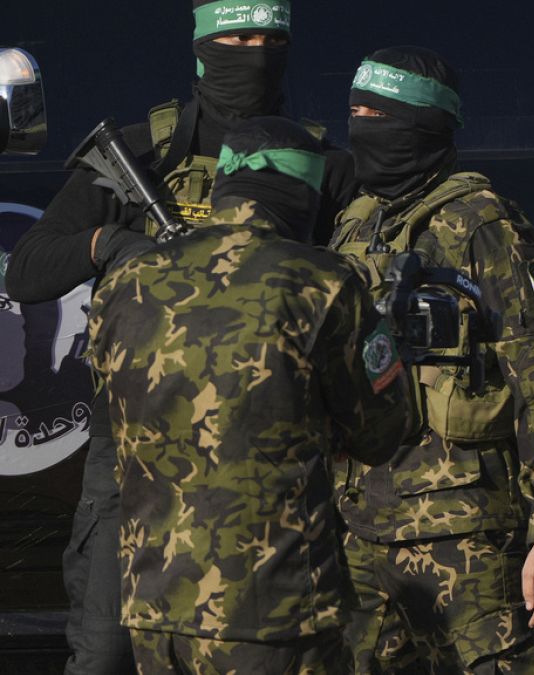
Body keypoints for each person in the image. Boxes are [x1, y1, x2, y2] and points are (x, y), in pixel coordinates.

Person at [2, 3, 357, 672]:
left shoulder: (320, 165)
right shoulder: (142, 155)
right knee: (107, 650)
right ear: (201, 50)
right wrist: (112, 243)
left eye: (268, 39)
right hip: (136, 450)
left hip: (269, 459)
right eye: (236, 38)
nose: (252, 53)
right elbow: (28, 268)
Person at [86, 116, 410, 673]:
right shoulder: (322, 282)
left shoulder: (124, 284)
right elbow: (383, 433)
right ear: (301, 195)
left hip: (154, 605)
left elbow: (121, 411)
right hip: (272, 610)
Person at [328, 46, 534, 674]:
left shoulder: (485, 228)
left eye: (377, 114)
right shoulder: (357, 224)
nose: (360, 127)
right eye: (354, 112)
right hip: (360, 525)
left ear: (421, 126)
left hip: (460, 528)